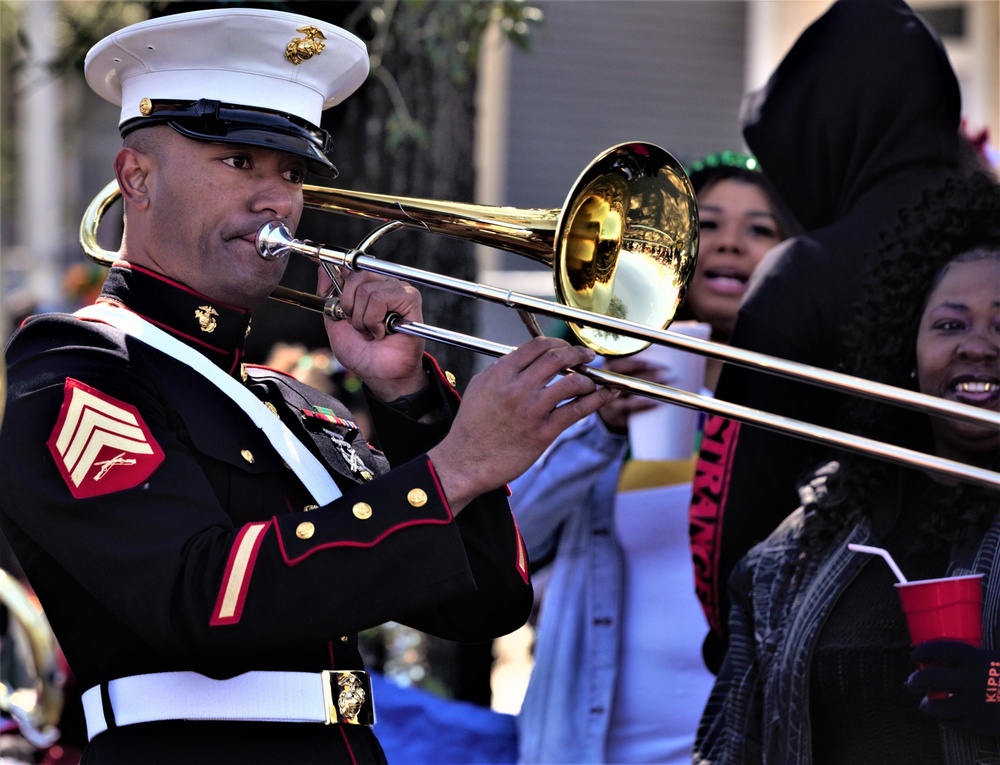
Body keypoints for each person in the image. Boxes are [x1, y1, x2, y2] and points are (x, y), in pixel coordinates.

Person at [0, 9, 618, 763]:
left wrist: (411, 401)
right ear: (137, 177)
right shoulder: (76, 364)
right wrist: (455, 468)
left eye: (291, 172)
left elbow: (486, 598)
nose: (277, 199)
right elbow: (203, 600)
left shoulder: (280, 400)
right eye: (239, 162)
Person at [688, 0, 968, 670]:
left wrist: (730, 646)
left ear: (823, 132)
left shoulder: (804, 273)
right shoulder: (987, 251)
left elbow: (733, 513)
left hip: (838, 666)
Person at [694, 170, 1000, 765]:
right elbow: (730, 744)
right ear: (905, 351)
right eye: (949, 324)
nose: (978, 345)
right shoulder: (808, 538)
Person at [509, 152, 795, 764]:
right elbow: (514, 539)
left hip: (748, 742)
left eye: (760, 229)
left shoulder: (805, 404)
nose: (730, 245)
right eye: (708, 225)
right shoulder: (602, 379)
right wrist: (598, 430)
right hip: (590, 744)